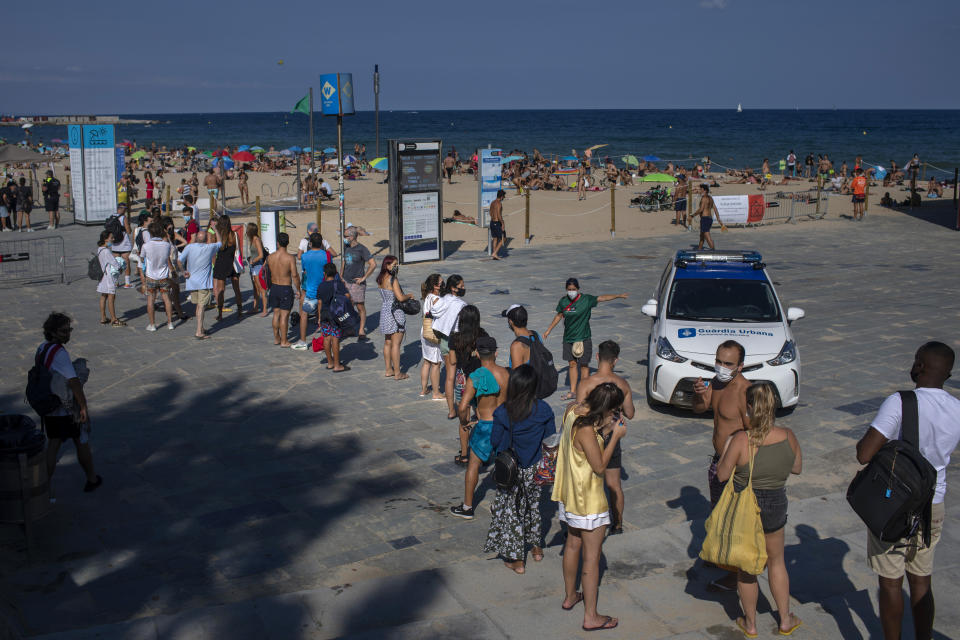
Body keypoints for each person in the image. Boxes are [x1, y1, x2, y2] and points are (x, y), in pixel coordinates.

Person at [856, 342, 960, 640]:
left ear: (920, 365)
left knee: (890, 583)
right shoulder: (956, 408)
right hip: (933, 506)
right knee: (921, 581)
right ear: (948, 374)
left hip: (896, 507)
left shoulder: (900, 402)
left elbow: (865, 454)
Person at [716, 383, 803, 638]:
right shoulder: (788, 435)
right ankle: (785, 620)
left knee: (747, 568)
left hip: (746, 507)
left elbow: (721, 475)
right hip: (776, 502)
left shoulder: (742, 439)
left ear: (751, 408)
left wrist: (728, 446)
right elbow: (796, 468)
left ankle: (751, 623)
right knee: (777, 562)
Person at [553, 383, 626, 632]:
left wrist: (604, 429)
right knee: (592, 559)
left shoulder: (572, 410)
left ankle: (570, 595)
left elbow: (579, 451)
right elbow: (599, 466)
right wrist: (614, 436)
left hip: (571, 494)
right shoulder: (586, 429)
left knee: (572, 544)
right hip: (589, 500)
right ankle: (591, 616)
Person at [482, 364, 557, 574]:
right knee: (533, 507)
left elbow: (495, 441)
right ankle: (536, 548)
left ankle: (517, 561)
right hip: (536, 469)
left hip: (513, 470)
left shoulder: (503, 412)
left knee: (513, 512)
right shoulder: (543, 409)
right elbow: (550, 439)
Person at [34, 313, 101, 493]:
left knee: (54, 443)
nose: (68, 334)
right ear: (53, 332)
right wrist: (83, 407)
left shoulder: (42, 348)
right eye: (64, 331)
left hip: (50, 405)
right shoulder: (60, 353)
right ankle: (92, 479)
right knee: (81, 440)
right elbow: (74, 383)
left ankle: (44, 486)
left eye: (69, 330)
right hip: (65, 408)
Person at [576, 340, 635, 534]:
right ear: (616, 360)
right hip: (611, 437)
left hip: (589, 436)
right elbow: (630, 413)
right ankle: (617, 524)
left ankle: (584, 519)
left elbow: (578, 413)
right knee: (614, 484)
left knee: (587, 480)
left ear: (597, 357)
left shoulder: (585, 383)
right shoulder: (622, 384)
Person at [450, 336, 510, 520]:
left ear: (477, 353)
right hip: (504, 424)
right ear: (496, 353)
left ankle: (467, 507)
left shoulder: (475, 377)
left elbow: (462, 406)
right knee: (506, 465)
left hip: (485, 425)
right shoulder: (506, 373)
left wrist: (463, 422)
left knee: (473, 466)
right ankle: (504, 506)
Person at [543, 278, 628, 400]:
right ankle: (572, 391)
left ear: (578, 289)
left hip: (583, 338)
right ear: (566, 290)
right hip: (568, 338)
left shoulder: (586, 299)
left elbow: (602, 298)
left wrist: (618, 296)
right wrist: (548, 330)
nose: (571, 291)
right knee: (572, 364)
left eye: (573, 289)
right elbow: (559, 316)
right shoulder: (563, 301)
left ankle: (583, 391)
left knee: (584, 365)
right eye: (569, 289)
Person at [693, 340, 751, 505]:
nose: (721, 367)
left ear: (740, 366)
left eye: (728, 364)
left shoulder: (745, 392)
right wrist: (698, 393)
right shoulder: (716, 382)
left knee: (732, 517)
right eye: (719, 361)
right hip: (718, 460)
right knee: (717, 513)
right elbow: (700, 408)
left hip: (736, 468)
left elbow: (754, 433)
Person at [430, 275, 468, 419]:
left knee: (450, 377)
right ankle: (463, 405)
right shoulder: (460, 304)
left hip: (444, 341)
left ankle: (451, 410)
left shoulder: (442, 299)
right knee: (462, 375)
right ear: (454, 288)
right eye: (461, 286)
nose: (463, 288)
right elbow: (461, 326)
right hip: (456, 341)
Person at [291, 232, 331, 350]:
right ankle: (324, 341)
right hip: (324, 288)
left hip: (309, 289)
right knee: (323, 315)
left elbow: (305, 271)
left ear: (310, 243)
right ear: (322, 243)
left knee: (304, 314)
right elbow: (329, 270)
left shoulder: (305, 256)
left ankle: (303, 341)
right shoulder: (327, 255)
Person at [178, 229, 221, 339]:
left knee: (198, 305)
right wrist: (216, 230)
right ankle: (198, 331)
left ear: (196, 238)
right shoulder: (209, 247)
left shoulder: (189, 247)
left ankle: (200, 328)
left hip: (192, 282)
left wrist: (183, 272)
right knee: (202, 306)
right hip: (204, 283)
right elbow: (220, 242)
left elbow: (179, 261)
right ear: (206, 239)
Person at [377, 255, 413, 380]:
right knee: (396, 344)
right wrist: (409, 295)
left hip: (385, 310)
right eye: (394, 264)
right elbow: (400, 297)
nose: (396, 266)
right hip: (395, 312)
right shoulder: (393, 280)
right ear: (387, 265)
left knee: (387, 342)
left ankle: (388, 369)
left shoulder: (380, 278)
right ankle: (398, 373)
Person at [342, 226, 376, 340]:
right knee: (347, 306)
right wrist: (341, 277)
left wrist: (363, 277)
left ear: (352, 237)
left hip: (357, 284)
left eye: (345, 236)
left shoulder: (362, 249)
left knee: (360, 306)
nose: (344, 238)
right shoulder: (345, 247)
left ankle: (361, 330)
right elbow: (343, 262)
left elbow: (373, 264)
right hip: (346, 281)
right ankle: (350, 328)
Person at [141, 220, 176, 331]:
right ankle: (170, 323)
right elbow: (167, 258)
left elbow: (142, 258)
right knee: (167, 299)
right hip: (163, 276)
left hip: (151, 276)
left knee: (150, 300)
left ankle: (152, 324)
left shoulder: (146, 246)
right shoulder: (166, 245)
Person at [316, 262, 350, 372]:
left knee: (326, 338)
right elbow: (347, 296)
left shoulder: (321, 285)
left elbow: (320, 303)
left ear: (324, 274)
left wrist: (319, 318)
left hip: (325, 314)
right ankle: (337, 365)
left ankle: (330, 363)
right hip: (335, 315)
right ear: (335, 273)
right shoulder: (338, 284)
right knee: (335, 339)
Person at [420, 274, 446, 399]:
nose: (443, 284)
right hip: (433, 332)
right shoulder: (437, 299)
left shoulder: (427, 297)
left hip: (424, 330)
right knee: (436, 363)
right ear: (436, 286)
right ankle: (436, 392)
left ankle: (424, 389)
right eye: (441, 282)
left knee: (426, 362)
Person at [212, 215, 243, 321]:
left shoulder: (217, 235)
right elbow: (238, 250)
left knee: (220, 290)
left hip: (221, 264)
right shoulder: (234, 234)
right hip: (232, 263)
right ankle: (240, 311)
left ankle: (220, 314)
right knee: (236, 289)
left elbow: (213, 252)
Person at [95, 231, 125, 326]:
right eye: (111, 238)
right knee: (111, 296)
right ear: (106, 239)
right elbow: (114, 263)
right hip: (109, 277)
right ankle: (113, 319)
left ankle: (103, 317)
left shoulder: (100, 249)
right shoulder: (106, 251)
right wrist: (120, 269)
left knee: (104, 296)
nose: (113, 239)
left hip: (103, 276)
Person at [692, 184, 725, 250]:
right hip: (709, 219)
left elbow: (701, 209)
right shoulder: (710, 198)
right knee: (702, 236)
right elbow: (715, 209)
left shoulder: (704, 198)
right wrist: (718, 219)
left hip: (705, 219)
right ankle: (699, 250)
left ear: (705, 190)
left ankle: (713, 251)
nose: (700, 190)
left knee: (707, 236)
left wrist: (692, 215)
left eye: (701, 189)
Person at [245, 223, 268, 316]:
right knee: (255, 289)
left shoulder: (256, 240)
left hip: (258, 266)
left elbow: (261, 255)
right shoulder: (252, 239)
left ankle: (265, 310)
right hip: (254, 267)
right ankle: (255, 308)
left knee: (262, 288)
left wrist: (253, 260)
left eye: (247, 229)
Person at [111, 203, 135, 288]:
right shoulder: (123, 218)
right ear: (122, 209)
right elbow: (128, 231)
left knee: (115, 263)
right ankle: (127, 283)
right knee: (126, 263)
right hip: (124, 244)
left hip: (115, 244)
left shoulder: (112, 217)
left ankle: (115, 282)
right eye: (125, 209)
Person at [489, 189, 506, 260]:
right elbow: (499, 215)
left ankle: (494, 254)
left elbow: (490, 212)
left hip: (492, 222)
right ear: (501, 196)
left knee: (495, 239)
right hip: (497, 222)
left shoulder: (492, 202)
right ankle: (495, 253)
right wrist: (502, 223)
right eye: (504, 196)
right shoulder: (499, 203)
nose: (504, 198)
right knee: (504, 238)